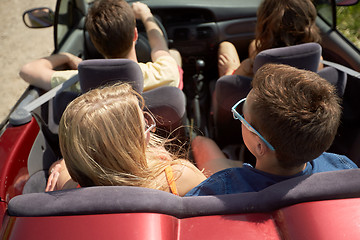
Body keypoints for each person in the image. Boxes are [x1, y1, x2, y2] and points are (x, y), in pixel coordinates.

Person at [186, 63, 357, 196]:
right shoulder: (342, 167)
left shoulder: (220, 188)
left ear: (260, 146)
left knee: (201, 142)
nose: (240, 118)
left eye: (242, 114)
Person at [45, 83, 206, 196]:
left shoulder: (69, 186)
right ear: (126, 147)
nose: (149, 124)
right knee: (204, 143)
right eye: (143, 123)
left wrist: (58, 166)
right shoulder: (179, 176)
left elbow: (61, 168)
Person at [19, 0, 183, 92]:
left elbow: (27, 70)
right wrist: (146, 14)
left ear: (95, 44)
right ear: (135, 34)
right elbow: (158, 45)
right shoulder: (164, 73)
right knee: (173, 55)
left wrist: (66, 57)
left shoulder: (82, 83)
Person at [218, 0, 323, 78]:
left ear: (263, 28)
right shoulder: (317, 60)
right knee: (254, 45)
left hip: (253, 99)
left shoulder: (252, 65)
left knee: (226, 46)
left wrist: (230, 69)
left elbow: (227, 85)